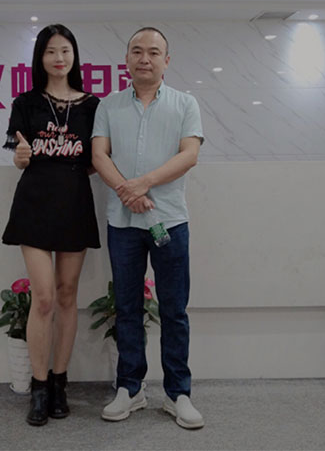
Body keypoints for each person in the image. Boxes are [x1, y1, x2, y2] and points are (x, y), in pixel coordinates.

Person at [91, 27, 205, 429]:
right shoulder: (108, 105)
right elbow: (99, 154)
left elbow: (189, 154)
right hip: (123, 223)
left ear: (166, 61)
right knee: (127, 308)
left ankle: (178, 394)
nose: (145, 58)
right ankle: (130, 388)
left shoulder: (185, 103)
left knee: (174, 310)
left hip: (169, 219)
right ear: (126, 60)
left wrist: (143, 184)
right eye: (137, 51)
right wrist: (129, 192)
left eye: (154, 52)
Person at [2, 24, 100, 426]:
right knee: (42, 298)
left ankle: (60, 382)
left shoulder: (93, 105)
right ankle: (39, 386)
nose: (59, 58)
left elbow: (96, 159)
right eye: (50, 51)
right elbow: (18, 153)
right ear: (40, 57)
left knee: (66, 295)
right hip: (35, 204)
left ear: (74, 56)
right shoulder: (25, 102)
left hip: (74, 203)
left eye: (65, 50)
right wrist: (21, 156)